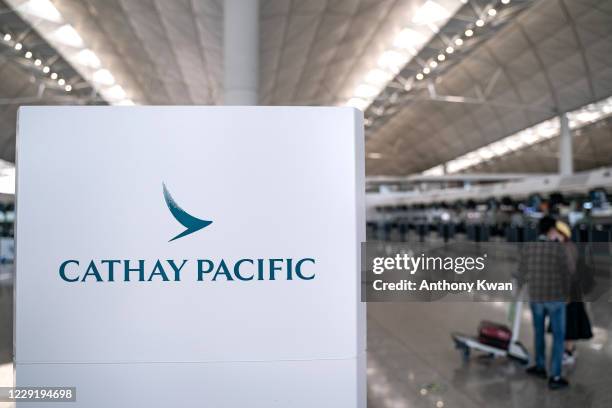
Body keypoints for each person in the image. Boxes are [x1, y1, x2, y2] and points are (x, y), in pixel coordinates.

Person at [517, 216, 573, 390]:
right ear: (551, 230)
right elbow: (568, 273)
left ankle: (540, 367)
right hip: (555, 299)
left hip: (536, 298)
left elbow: (521, 273)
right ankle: (555, 376)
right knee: (558, 337)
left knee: (539, 332)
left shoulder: (529, 248)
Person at [554, 221, 593, 365]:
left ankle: (568, 352)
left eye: (556, 233)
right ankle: (569, 349)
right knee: (568, 321)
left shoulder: (566, 249)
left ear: (563, 235)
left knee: (569, 323)